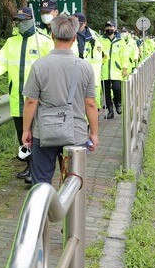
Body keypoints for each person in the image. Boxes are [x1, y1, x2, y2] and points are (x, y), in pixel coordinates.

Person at [21, 16, 99, 185]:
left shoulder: (39, 66)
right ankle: (69, 211)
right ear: (74, 38)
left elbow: (30, 102)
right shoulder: (85, 67)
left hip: (44, 133)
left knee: (41, 183)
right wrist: (93, 133)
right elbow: (90, 104)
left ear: (52, 36)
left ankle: (44, 211)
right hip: (76, 134)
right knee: (72, 183)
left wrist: (26, 130)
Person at [0, 7, 52, 184]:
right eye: (18, 20)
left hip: (37, 100)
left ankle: (36, 169)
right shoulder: (11, 43)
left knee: (36, 134)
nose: (20, 24)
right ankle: (30, 165)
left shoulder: (44, 42)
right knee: (22, 135)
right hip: (17, 99)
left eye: (23, 20)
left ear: (32, 20)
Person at [99, 21, 131, 119]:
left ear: (114, 28)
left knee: (117, 88)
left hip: (116, 70)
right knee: (106, 92)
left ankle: (117, 102)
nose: (109, 29)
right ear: (105, 29)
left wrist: (125, 68)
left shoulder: (120, 41)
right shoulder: (100, 40)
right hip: (104, 70)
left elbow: (124, 56)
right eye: (107, 27)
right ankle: (110, 111)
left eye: (111, 27)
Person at [74, 12, 103, 111]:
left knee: (91, 103)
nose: (77, 27)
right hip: (74, 74)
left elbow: (98, 60)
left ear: (85, 23)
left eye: (79, 25)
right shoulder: (68, 36)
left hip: (90, 75)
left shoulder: (93, 39)